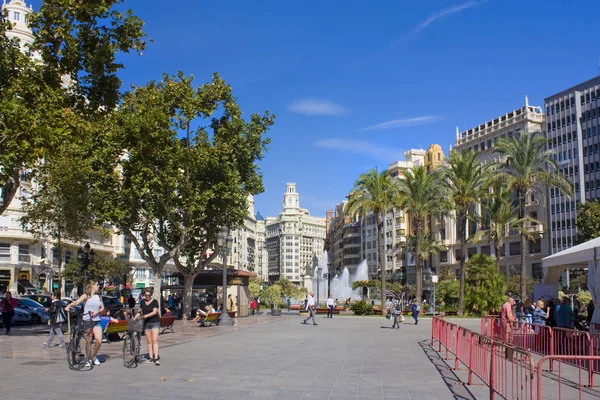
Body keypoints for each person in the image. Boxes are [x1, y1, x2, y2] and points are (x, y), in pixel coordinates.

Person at [66, 280, 104, 366]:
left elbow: (102, 308)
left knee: (99, 340)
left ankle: (93, 356)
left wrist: (97, 312)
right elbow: (76, 302)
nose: (98, 286)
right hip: (87, 320)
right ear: (92, 286)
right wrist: (69, 305)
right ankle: (88, 358)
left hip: (96, 320)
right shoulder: (85, 296)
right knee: (89, 341)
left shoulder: (99, 297)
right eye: (97, 285)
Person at [137, 290, 160, 365]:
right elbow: (140, 310)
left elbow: (155, 312)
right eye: (146, 295)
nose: (147, 297)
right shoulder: (142, 302)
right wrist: (135, 317)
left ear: (151, 295)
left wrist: (145, 316)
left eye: (148, 295)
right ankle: (150, 357)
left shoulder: (155, 302)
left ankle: (156, 358)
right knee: (149, 341)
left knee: (155, 340)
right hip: (146, 323)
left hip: (155, 322)